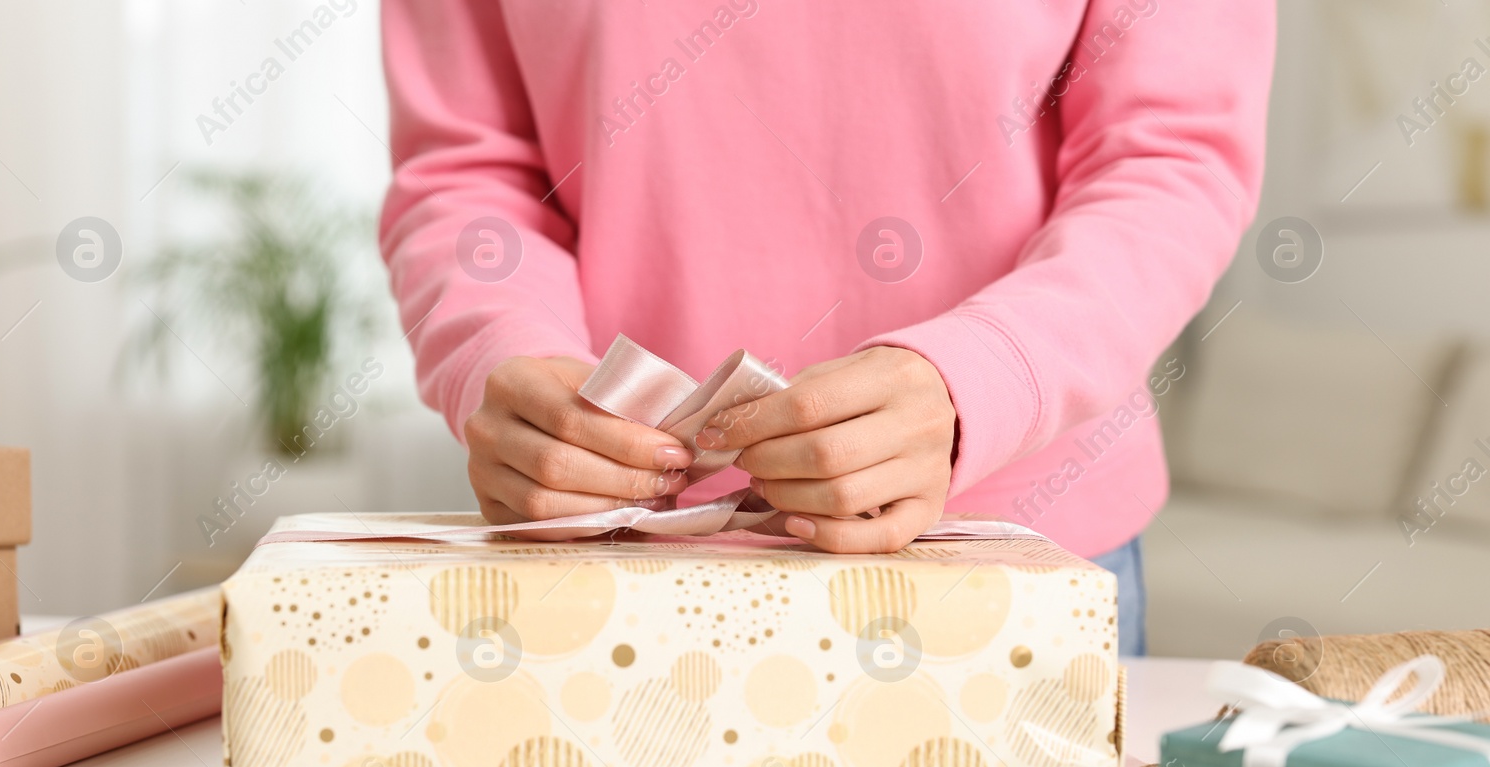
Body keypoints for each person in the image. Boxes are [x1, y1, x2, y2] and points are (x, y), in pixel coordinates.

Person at [378, 0, 1275, 656]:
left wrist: (980, 381)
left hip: (1015, 543)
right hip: (610, 552)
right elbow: (471, 169)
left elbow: (1168, 156)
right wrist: (502, 354)